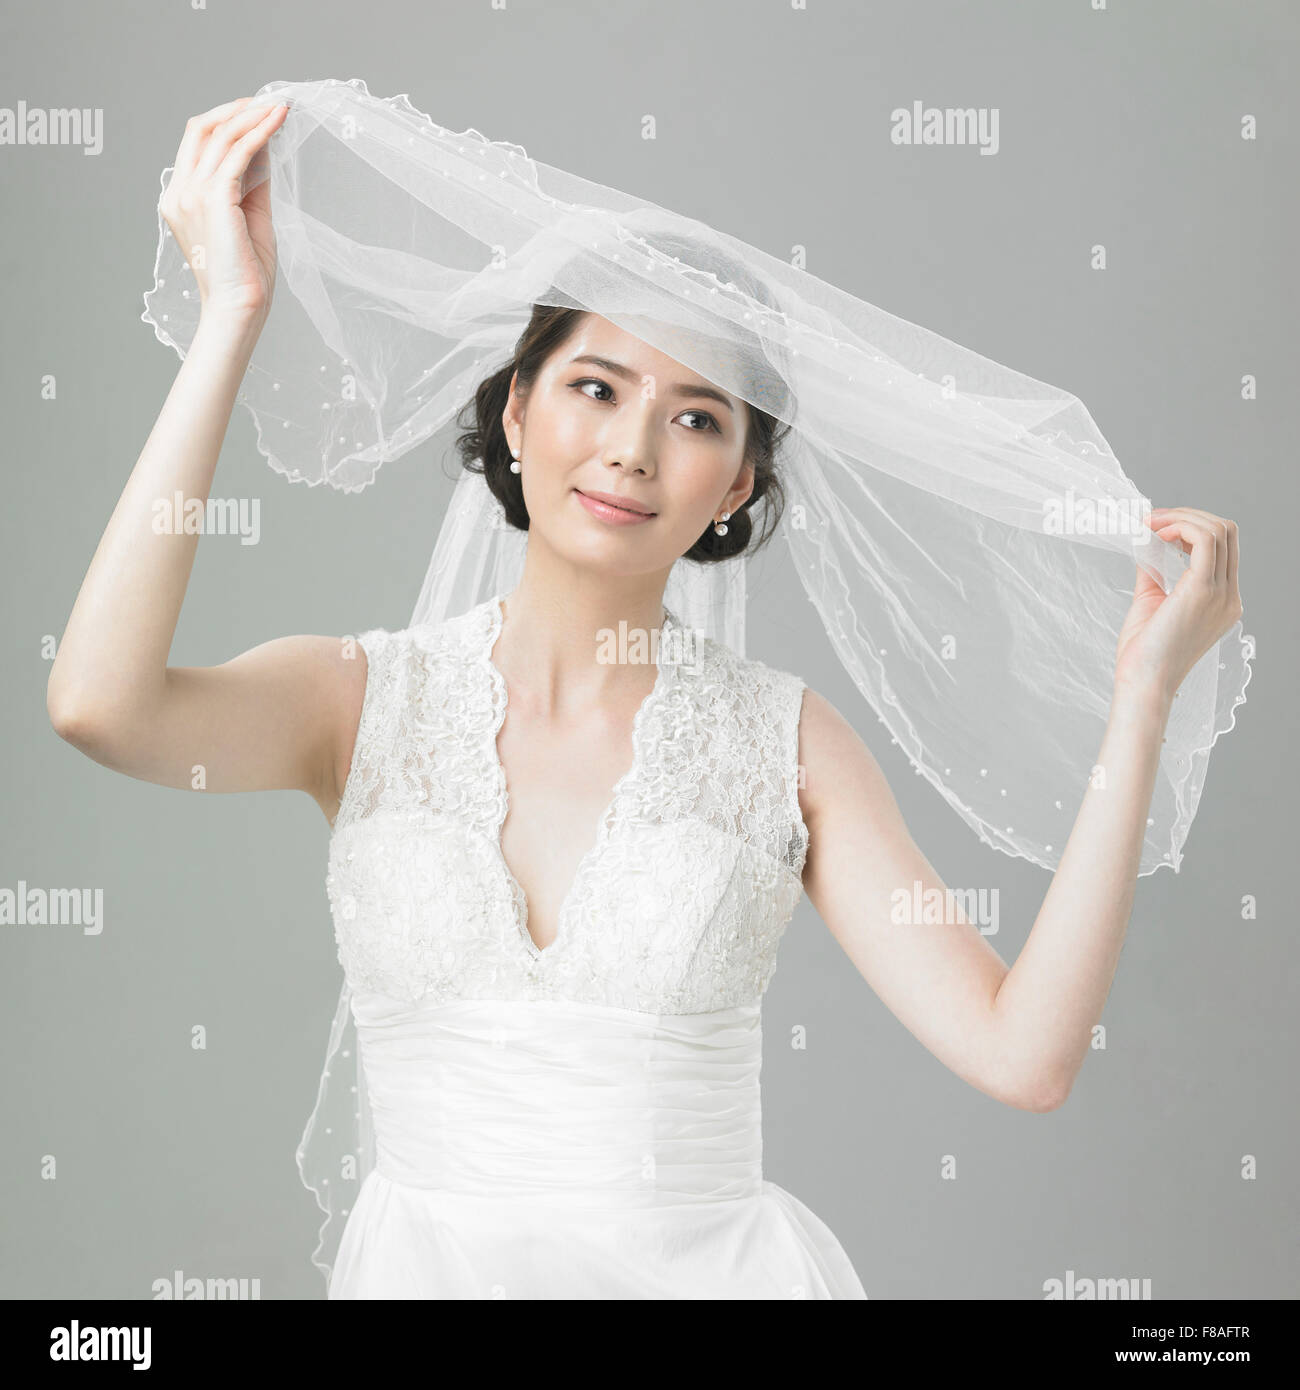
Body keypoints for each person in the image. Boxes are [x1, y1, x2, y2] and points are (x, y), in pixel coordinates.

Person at [48, 96, 1244, 1299]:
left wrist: (1138, 700)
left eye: (695, 417)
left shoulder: (786, 744)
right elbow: (101, 705)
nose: (631, 449)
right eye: (596, 386)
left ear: (737, 483)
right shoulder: (354, 699)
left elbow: (1023, 1053)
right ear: (516, 411)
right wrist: (232, 317)